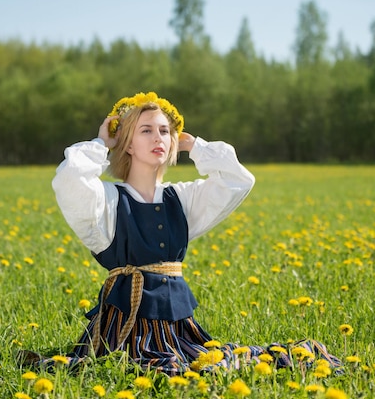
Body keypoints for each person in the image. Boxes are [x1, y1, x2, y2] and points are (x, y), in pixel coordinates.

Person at [31, 91, 342, 376]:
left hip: (177, 323)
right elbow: (71, 179)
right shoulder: (108, 200)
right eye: (146, 130)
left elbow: (239, 180)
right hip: (125, 325)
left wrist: (196, 147)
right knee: (150, 368)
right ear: (127, 144)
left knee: (204, 362)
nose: (159, 138)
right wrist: (102, 144)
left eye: (165, 131)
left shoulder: (180, 198)